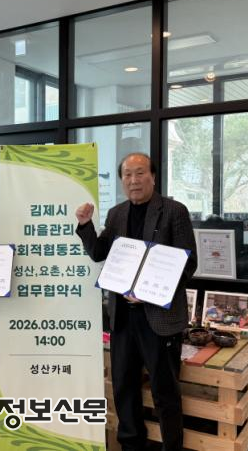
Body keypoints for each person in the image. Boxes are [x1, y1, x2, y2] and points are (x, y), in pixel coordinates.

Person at [75, 153, 197, 451]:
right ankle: (131, 445)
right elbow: (99, 253)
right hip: (123, 318)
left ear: (153, 176)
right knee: (124, 386)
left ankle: (172, 447)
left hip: (159, 318)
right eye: (127, 175)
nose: (133, 180)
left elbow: (188, 263)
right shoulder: (117, 214)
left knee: (164, 391)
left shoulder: (174, 211)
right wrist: (85, 225)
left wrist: (149, 290)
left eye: (140, 173)